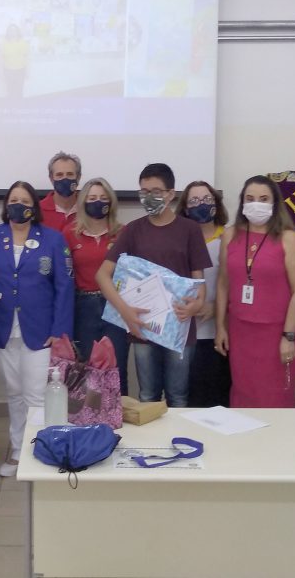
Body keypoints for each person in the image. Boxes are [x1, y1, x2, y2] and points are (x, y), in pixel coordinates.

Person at [96, 163, 211, 407]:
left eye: (156, 191)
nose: (149, 197)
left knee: (178, 396)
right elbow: (102, 276)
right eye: (144, 191)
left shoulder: (189, 229)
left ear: (170, 194)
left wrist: (197, 304)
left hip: (179, 327)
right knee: (147, 396)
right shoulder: (132, 230)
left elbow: (199, 282)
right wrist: (125, 312)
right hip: (142, 327)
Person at [0, 181, 74, 477]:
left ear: (34, 207)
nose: (18, 206)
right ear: (5, 205)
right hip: (1, 328)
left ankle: (39, 451)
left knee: (35, 394)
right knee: (14, 392)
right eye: (13, 200)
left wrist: (60, 330)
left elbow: (64, 287)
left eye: (24, 201)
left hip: (41, 330)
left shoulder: (53, 239)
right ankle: (18, 452)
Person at [214, 176, 295, 407]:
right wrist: (220, 327)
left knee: (274, 398)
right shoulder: (230, 235)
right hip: (240, 331)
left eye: (264, 199)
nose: (257, 204)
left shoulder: (289, 238)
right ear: (242, 202)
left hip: (277, 334)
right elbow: (223, 283)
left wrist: (288, 337)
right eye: (250, 198)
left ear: (275, 203)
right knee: (243, 394)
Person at [63, 177, 130, 395]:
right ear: (83, 201)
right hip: (84, 306)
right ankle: (88, 415)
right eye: (92, 198)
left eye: (103, 197)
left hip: (115, 307)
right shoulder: (70, 234)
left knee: (116, 369)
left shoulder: (123, 233)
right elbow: (65, 276)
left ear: (111, 201)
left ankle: (118, 413)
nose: (98, 202)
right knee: (86, 370)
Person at [178, 180, 232, 407]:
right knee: (189, 398)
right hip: (185, 332)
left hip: (218, 332)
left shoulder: (229, 238)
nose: (201, 204)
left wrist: (217, 307)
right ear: (185, 208)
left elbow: (237, 282)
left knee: (218, 397)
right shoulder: (179, 239)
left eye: (207, 199)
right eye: (194, 200)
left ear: (216, 203)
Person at [39, 151, 81, 231]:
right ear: (51, 179)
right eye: (59, 175)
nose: (65, 179)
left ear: (78, 178)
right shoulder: (38, 211)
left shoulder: (87, 209)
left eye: (70, 174)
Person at [0, 23, 29, 98]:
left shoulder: (22, 42)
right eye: (10, 30)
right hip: (8, 70)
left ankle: (19, 104)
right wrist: (1, 73)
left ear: (17, 31)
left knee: (19, 91)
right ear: (8, 32)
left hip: (20, 70)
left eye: (14, 30)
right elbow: (1, 58)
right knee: (10, 90)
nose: (12, 32)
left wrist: (27, 71)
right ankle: (11, 104)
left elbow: (26, 58)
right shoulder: (4, 43)